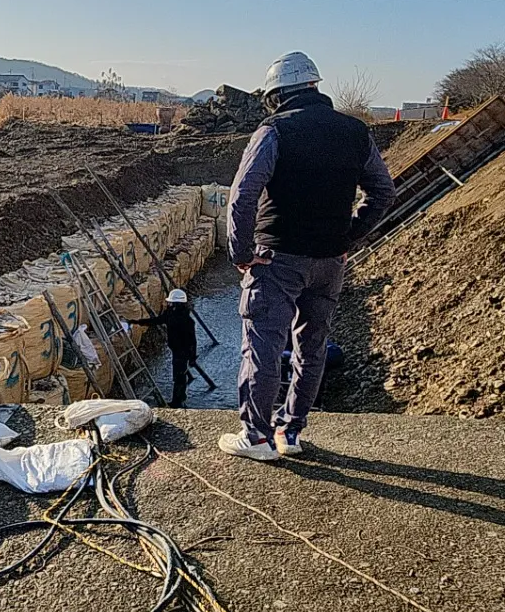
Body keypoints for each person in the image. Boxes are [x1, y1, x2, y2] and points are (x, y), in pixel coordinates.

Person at [221, 52, 395, 461]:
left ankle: (257, 437)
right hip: (329, 261)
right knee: (311, 347)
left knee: (263, 345)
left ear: (276, 95)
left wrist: (241, 252)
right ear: (316, 87)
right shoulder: (355, 132)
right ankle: (292, 431)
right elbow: (384, 192)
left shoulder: (275, 130)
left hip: (277, 258)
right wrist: (348, 237)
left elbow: (243, 195)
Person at [127, 287, 199, 406]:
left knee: (178, 376)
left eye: (171, 302)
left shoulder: (179, 318)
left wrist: (192, 356)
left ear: (175, 303)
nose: (169, 303)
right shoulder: (180, 316)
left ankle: (177, 402)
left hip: (181, 351)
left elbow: (192, 340)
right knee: (181, 375)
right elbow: (156, 321)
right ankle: (181, 397)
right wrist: (136, 321)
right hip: (179, 350)